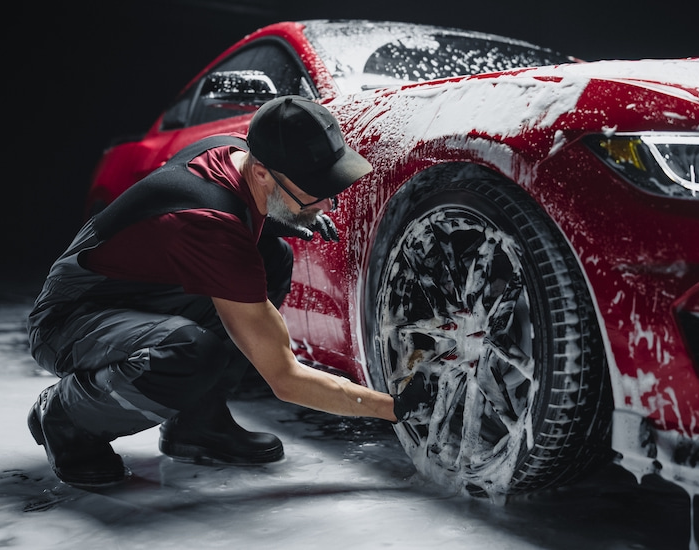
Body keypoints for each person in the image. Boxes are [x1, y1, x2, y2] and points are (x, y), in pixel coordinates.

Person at [26, 95, 431, 487]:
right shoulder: (211, 224)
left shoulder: (235, 151)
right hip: (69, 320)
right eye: (315, 190)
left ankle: (196, 425)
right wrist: (391, 407)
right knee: (186, 352)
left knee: (271, 259)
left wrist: (281, 218)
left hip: (136, 292)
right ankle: (67, 418)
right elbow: (285, 378)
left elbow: (182, 225)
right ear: (261, 174)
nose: (328, 203)